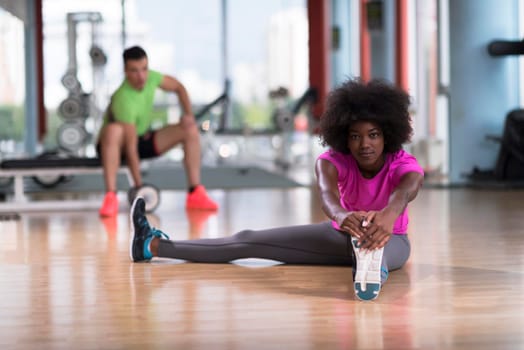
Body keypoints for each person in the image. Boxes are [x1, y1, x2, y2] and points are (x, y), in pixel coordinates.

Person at [128, 78, 424, 301]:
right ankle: (152, 245)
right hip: (340, 235)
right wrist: (343, 215)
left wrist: (387, 215)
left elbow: (408, 187)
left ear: (388, 134)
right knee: (247, 240)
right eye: (355, 136)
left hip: (392, 238)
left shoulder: (401, 161)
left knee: (377, 245)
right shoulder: (332, 161)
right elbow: (327, 196)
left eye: (373, 135)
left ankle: (372, 268)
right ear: (344, 138)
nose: (365, 144)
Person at [97, 45, 218, 217]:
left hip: (141, 138)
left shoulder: (152, 78)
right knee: (113, 130)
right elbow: (131, 149)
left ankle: (195, 193)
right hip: (116, 146)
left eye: (144, 69)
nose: (141, 76)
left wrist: (188, 115)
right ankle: (111, 196)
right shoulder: (123, 98)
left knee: (189, 130)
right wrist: (140, 188)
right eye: (134, 71)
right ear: (125, 71)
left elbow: (179, 87)